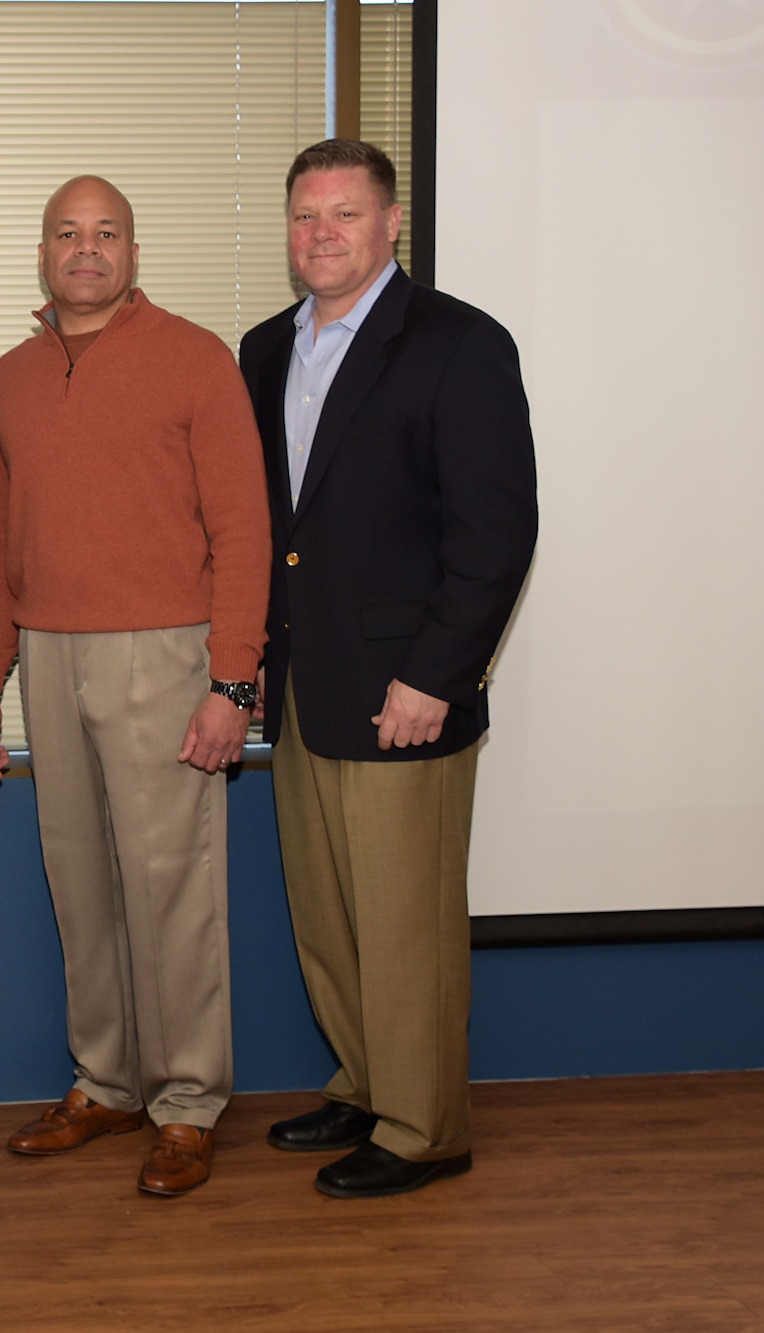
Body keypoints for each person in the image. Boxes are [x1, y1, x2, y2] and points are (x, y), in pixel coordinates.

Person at [238, 139, 537, 1199]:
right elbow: (275, 529)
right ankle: (365, 1084)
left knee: (404, 922)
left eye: (344, 214)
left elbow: (494, 534)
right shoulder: (264, 349)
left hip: (403, 693)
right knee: (329, 916)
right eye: (303, 215)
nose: (321, 233)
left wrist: (434, 676)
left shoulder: (457, 343)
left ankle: (423, 1127)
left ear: (389, 223)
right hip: (304, 687)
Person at [0, 176, 271, 1197]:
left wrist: (232, 679)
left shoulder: (194, 359)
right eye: (67, 233)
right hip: (48, 652)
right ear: (42, 251)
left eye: (106, 233)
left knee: (169, 885)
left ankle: (186, 1102)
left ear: (132, 251)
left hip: (165, 651)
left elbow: (241, 527)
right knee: (81, 883)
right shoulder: (8, 376)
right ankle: (105, 1081)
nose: (85, 250)